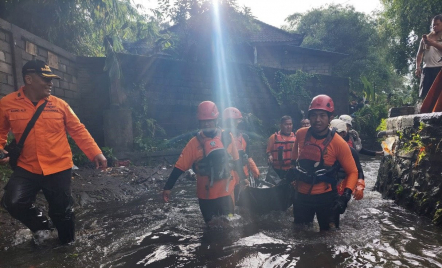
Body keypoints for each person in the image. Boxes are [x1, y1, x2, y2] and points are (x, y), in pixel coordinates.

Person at [0, 59, 107, 244]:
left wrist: (95, 152)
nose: (51, 83)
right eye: (46, 79)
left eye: (51, 79)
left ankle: (68, 246)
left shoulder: (60, 105)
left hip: (59, 166)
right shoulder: (7, 103)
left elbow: (78, 130)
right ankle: (42, 227)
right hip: (27, 167)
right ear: (29, 79)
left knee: (62, 211)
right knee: (14, 202)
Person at [162, 101, 247, 224]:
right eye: (203, 121)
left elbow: (236, 160)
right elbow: (180, 167)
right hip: (206, 196)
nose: (207, 123)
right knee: (211, 227)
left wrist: (243, 179)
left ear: (216, 120)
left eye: (210, 120)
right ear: (199, 122)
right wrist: (168, 187)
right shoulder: (194, 143)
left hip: (226, 194)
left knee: (230, 224)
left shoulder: (228, 137)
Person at [288, 95, 358, 231]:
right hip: (301, 196)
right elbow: (294, 158)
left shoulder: (339, 143)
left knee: (329, 239)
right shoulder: (300, 134)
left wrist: (345, 197)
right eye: (313, 115)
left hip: (326, 198)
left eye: (322, 115)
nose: (317, 120)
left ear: (330, 118)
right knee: (300, 237)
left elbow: (353, 172)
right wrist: (291, 171)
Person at [329, 119, 365, 229]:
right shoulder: (325, 148)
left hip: (343, 186)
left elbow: (358, 171)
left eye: (334, 134)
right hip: (327, 186)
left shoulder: (351, 151)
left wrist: (359, 186)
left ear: (343, 134)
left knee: (336, 212)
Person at [222, 107, 259, 196]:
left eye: (237, 121)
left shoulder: (244, 137)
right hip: (228, 177)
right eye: (234, 121)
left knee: (242, 204)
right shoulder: (221, 136)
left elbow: (248, 156)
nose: (237, 124)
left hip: (243, 175)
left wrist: (255, 171)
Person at [415, 14, 442, 99]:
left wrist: (433, 43)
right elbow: (419, 54)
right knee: (424, 95)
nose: (435, 26)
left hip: (439, 68)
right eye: (433, 24)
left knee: (438, 95)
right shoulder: (426, 38)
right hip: (427, 69)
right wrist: (418, 67)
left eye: (437, 24)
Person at [266, 116, 296, 180]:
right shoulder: (273, 137)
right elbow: (268, 151)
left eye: (290, 124)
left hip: (291, 170)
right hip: (277, 170)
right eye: (286, 124)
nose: (288, 127)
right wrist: (269, 156)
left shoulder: (296, 138)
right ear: (281, 125)